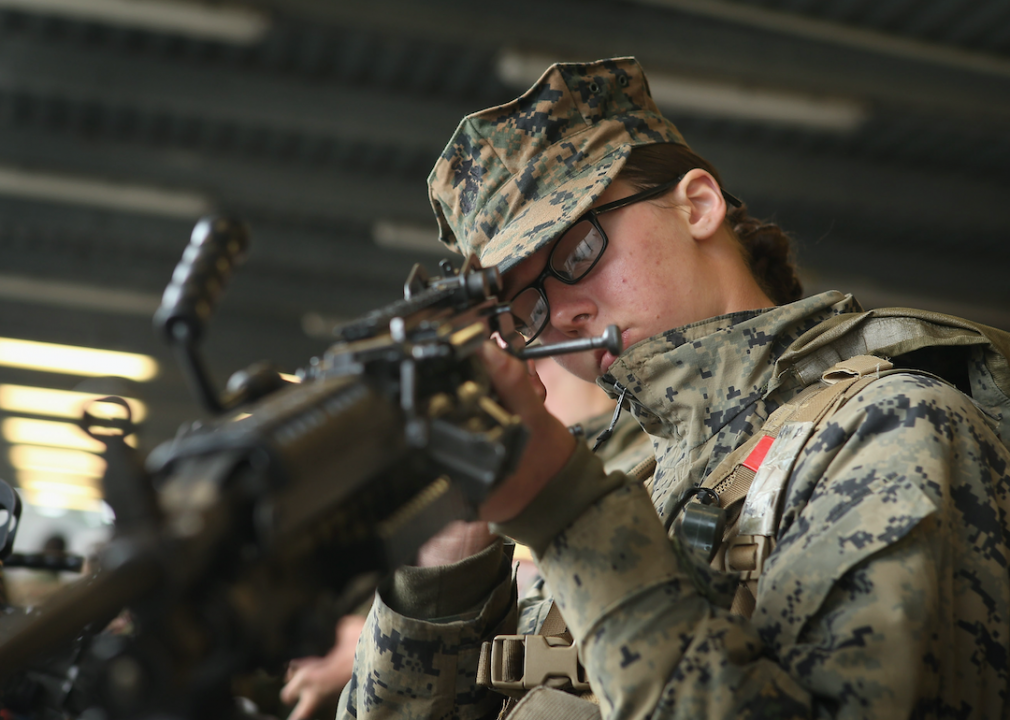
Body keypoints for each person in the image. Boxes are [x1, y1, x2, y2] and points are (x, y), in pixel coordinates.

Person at [338, 57, 1010, 719]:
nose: (563, 313)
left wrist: (569, 516)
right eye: (527, 312)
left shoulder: (892, 425)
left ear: (698, 204)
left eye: (576, 254)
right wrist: (443, 579)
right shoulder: (628, 475)